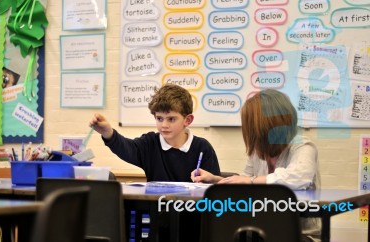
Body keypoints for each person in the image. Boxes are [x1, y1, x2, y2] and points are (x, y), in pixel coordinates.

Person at [191, 89, 321, 242]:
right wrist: (216, 180)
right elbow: (244, 183)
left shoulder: (302, 146)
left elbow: (299, 177)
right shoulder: (258, 150)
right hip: (259, 230)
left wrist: (251, 180)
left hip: (300, 234)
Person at [90, 83, 221, 181]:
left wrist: (212, 180)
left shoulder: (202, 148)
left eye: (171, 119)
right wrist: (108, 133)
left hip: (193, 213)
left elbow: (215, 189)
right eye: (159, 118)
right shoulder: (150, 143)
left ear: (187, 120)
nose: (164, 125)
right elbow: (127, 148)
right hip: (159, 212)